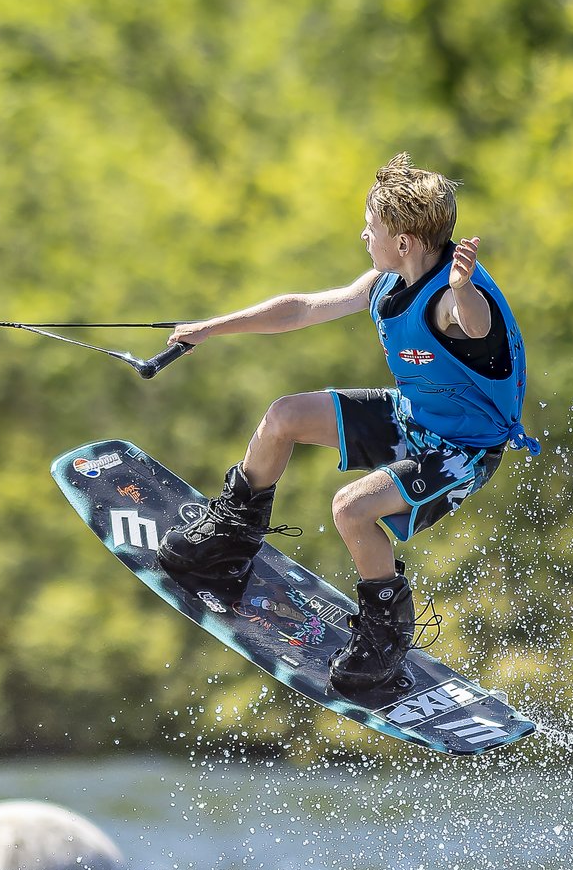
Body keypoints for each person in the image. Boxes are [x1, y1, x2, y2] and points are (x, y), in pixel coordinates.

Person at [156, 154, 539, 700]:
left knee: (351, 508)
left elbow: (474, 327)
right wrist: (208, 330)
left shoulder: (450, 300)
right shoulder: (387, 279)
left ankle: (386, 634)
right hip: (415, 417)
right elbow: (302, 309)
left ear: (404, 241)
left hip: (462, 449)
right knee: (283, 416)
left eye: (372, 227)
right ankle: (229, 540)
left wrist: (462, 291)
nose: (364, 234)